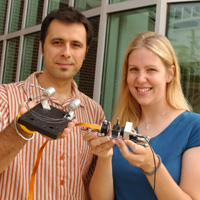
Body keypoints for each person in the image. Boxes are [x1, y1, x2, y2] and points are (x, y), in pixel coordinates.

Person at [0, 7, 104, 200]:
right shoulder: (5, 98)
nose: (66, 52)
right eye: (57, 42)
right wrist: (20, 129)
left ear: (85, 52)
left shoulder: (94, 112)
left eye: (76, 45)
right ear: (41, 47)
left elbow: (91, 185)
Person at [84, 31, 200, 200]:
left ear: (170, 74)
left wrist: (152, 166)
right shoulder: (120, 126)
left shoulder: (194, 127)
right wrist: (105, 157)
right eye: (134, 70)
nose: (140, 79)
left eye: (151, 70)